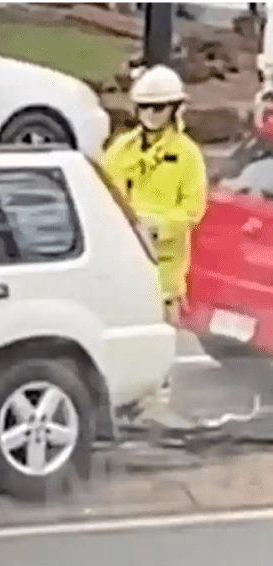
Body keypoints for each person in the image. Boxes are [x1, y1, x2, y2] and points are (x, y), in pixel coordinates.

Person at [101, 64, 207, 427]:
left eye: (158, 107)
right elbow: (102, 194)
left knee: (160, 345)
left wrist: (156, 225)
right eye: (144, 107)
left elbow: (192, 211)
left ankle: (156, 409)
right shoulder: (120, 149)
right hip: (124, 262)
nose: (150, 114)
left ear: (174, 109)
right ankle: (120, 404)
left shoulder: (187, 154)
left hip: (163, 270)